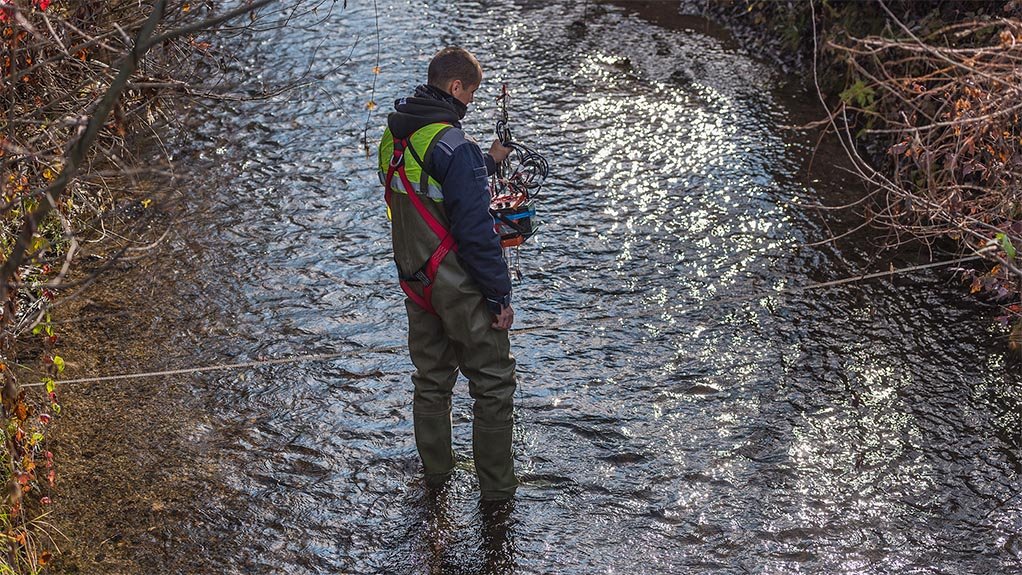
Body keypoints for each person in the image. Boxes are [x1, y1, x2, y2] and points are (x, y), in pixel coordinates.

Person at [377, 46, 518, 500]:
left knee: (432, 381)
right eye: (470, 94)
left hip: (415, 279)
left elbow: (430, 192)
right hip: (460, 284)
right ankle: (497, 496)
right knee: (493, 384)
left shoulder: (393, 138)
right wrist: (499, 296)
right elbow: (476, 232)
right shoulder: (456, 147)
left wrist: (488, 162)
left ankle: (437, 480)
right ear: (455, 87)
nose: (470, 104)